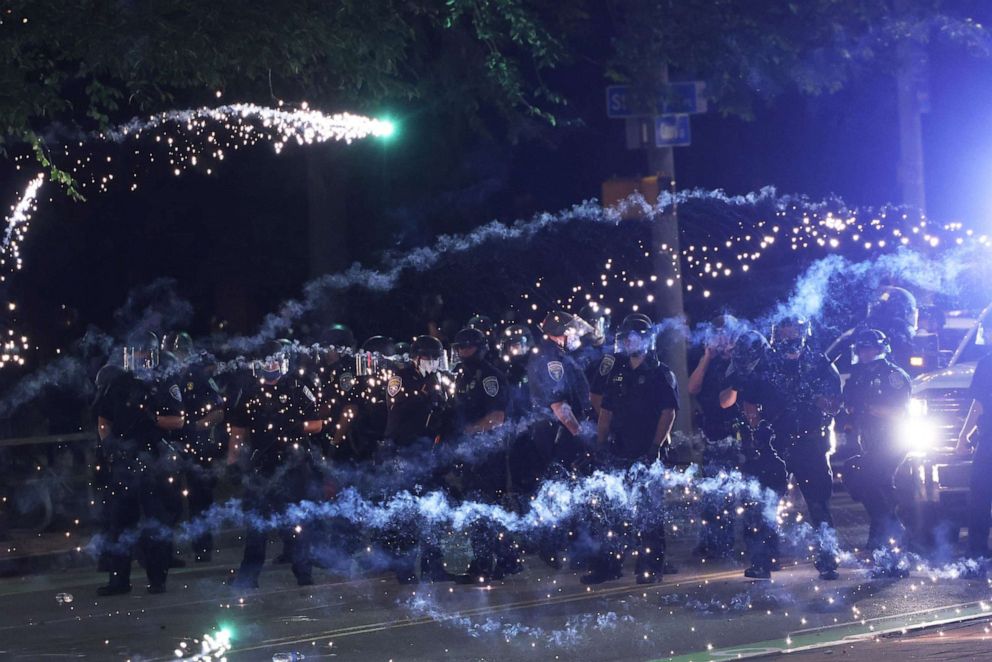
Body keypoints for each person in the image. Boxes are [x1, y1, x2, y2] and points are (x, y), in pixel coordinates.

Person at [583, 314, 679, 584]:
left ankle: (650, 566)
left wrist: (654, 448)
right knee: (613, 511)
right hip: (619, 450)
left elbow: (668, 413)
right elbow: (606, 411)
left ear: (646, 339)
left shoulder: (661, 372)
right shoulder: (617, 372)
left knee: (648, 513)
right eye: (625, 338)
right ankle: (609, 565)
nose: (628, 342)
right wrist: (600, 444)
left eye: (633, 337)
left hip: (646, 450)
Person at [94, 332, 185, 595]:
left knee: (155, 522)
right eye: (133, 353)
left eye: (142, 352)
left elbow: (178, 420)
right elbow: (104, 418)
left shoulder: (164, 381)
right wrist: (108, 443)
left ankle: (157, 579)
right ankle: (118, 580)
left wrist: (153, 420)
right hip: (124, 460)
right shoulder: (118, 383)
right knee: (118, 524)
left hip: (153, 461)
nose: (137, 358)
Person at [227, 343, 323, 588]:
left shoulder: (298, 386)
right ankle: (248, 577)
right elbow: (238, 431)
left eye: (274, 361)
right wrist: (233, 462)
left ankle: (304, 574)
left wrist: (296, 426)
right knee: (257, 525)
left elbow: (317, 424)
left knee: (297, 521)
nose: (270, 367)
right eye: (266, 362)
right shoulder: (248, 390)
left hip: (294, 465)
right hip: (261, 465)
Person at [765, 316, 842, 579]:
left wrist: (813, 395)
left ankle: (827, 557)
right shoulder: (769, 364)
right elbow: (752, 396)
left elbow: (835, 404)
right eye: (784, 335)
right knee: (766, 502)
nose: (789, 341)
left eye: (793, 334)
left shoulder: (818, 364)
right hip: (776, 442)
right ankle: (764, 558)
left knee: (818, 504)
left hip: (810, 442)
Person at [379, 335, 453, 583]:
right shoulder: (401, 379)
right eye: (428, 357)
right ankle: (404, 568)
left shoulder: (437, 380)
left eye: (435, 358)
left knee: (432, 512)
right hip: (405, 452)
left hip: (429, 453)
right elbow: (396, 412)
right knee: (408, 514)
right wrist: (421, 398)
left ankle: (434, 567)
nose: (432, 362)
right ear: (416, 357)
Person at [448, 327, 516, 583]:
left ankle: (483, 565)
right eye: (460, 347)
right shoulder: (462, 375)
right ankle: (507, 560)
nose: (464, 351)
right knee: (483, 508)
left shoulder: (490, 376)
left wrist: (471, 430)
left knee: (483, 509)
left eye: (469, 346)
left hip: (488, 452)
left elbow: (497, 417)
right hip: (471, 453)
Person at [527, 311, 593, 569]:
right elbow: (559, 405)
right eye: (571, 330)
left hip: (559, 434)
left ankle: (566, 547)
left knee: (564, 492)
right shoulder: (550, 359)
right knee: (560, 492)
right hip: (558, 436)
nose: (575, 334)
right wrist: (582, 434)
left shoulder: (559, 354)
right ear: (561, 332)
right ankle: (555, 547)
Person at [721, 330, 788, 579]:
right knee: (752, 505)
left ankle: (768, 556)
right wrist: (738, 383)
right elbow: (725, 401)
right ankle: (761, 558)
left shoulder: (774, 368)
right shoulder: (736, 369)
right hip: (749, 446)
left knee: (770, 503)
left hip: (773, 443)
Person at [841, 329, 912, 556]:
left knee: (874, 482)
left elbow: (899, 412)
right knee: (865, 482)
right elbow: (850, 408)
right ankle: (884, 537)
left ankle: (891, 535)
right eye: (862, 348)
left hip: (892, 439)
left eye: (870, 348)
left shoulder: (894, 375)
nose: (866, 353)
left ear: (881, 348)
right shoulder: (858, 377)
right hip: (868, 441)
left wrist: (870, 408)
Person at [688, 314, 743, 560]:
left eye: (724, 334)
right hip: (711, 433)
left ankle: (727, 544)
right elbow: (692, 388)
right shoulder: (707, 361)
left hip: (734, 434)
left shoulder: (740, 360)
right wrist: (707, 357)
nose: (720, 339)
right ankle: (710, 541)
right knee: (710, 493)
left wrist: (735, 358)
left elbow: (726, 401)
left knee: (729, 493)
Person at [956, 342, 992, 559]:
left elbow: (979, 404)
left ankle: (976, 557)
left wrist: (963, 437)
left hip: (989, 442)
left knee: (980, 498)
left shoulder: (988, 362)